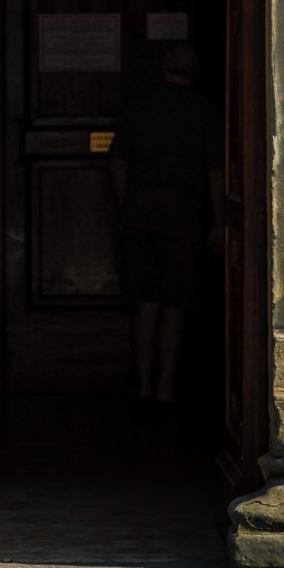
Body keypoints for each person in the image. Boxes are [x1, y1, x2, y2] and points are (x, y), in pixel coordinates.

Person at [109, 41, 224, 407]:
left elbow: (118, 163)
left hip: (141, 213)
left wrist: (127, 207)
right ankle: (165, 391)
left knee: (147, 302)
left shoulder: (139, 107)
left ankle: (143, 387)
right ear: (197, 72)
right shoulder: (206, 112)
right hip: (185, 216)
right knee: (175, 305)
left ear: (164, 66)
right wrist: (220, 220)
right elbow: (216, 172)